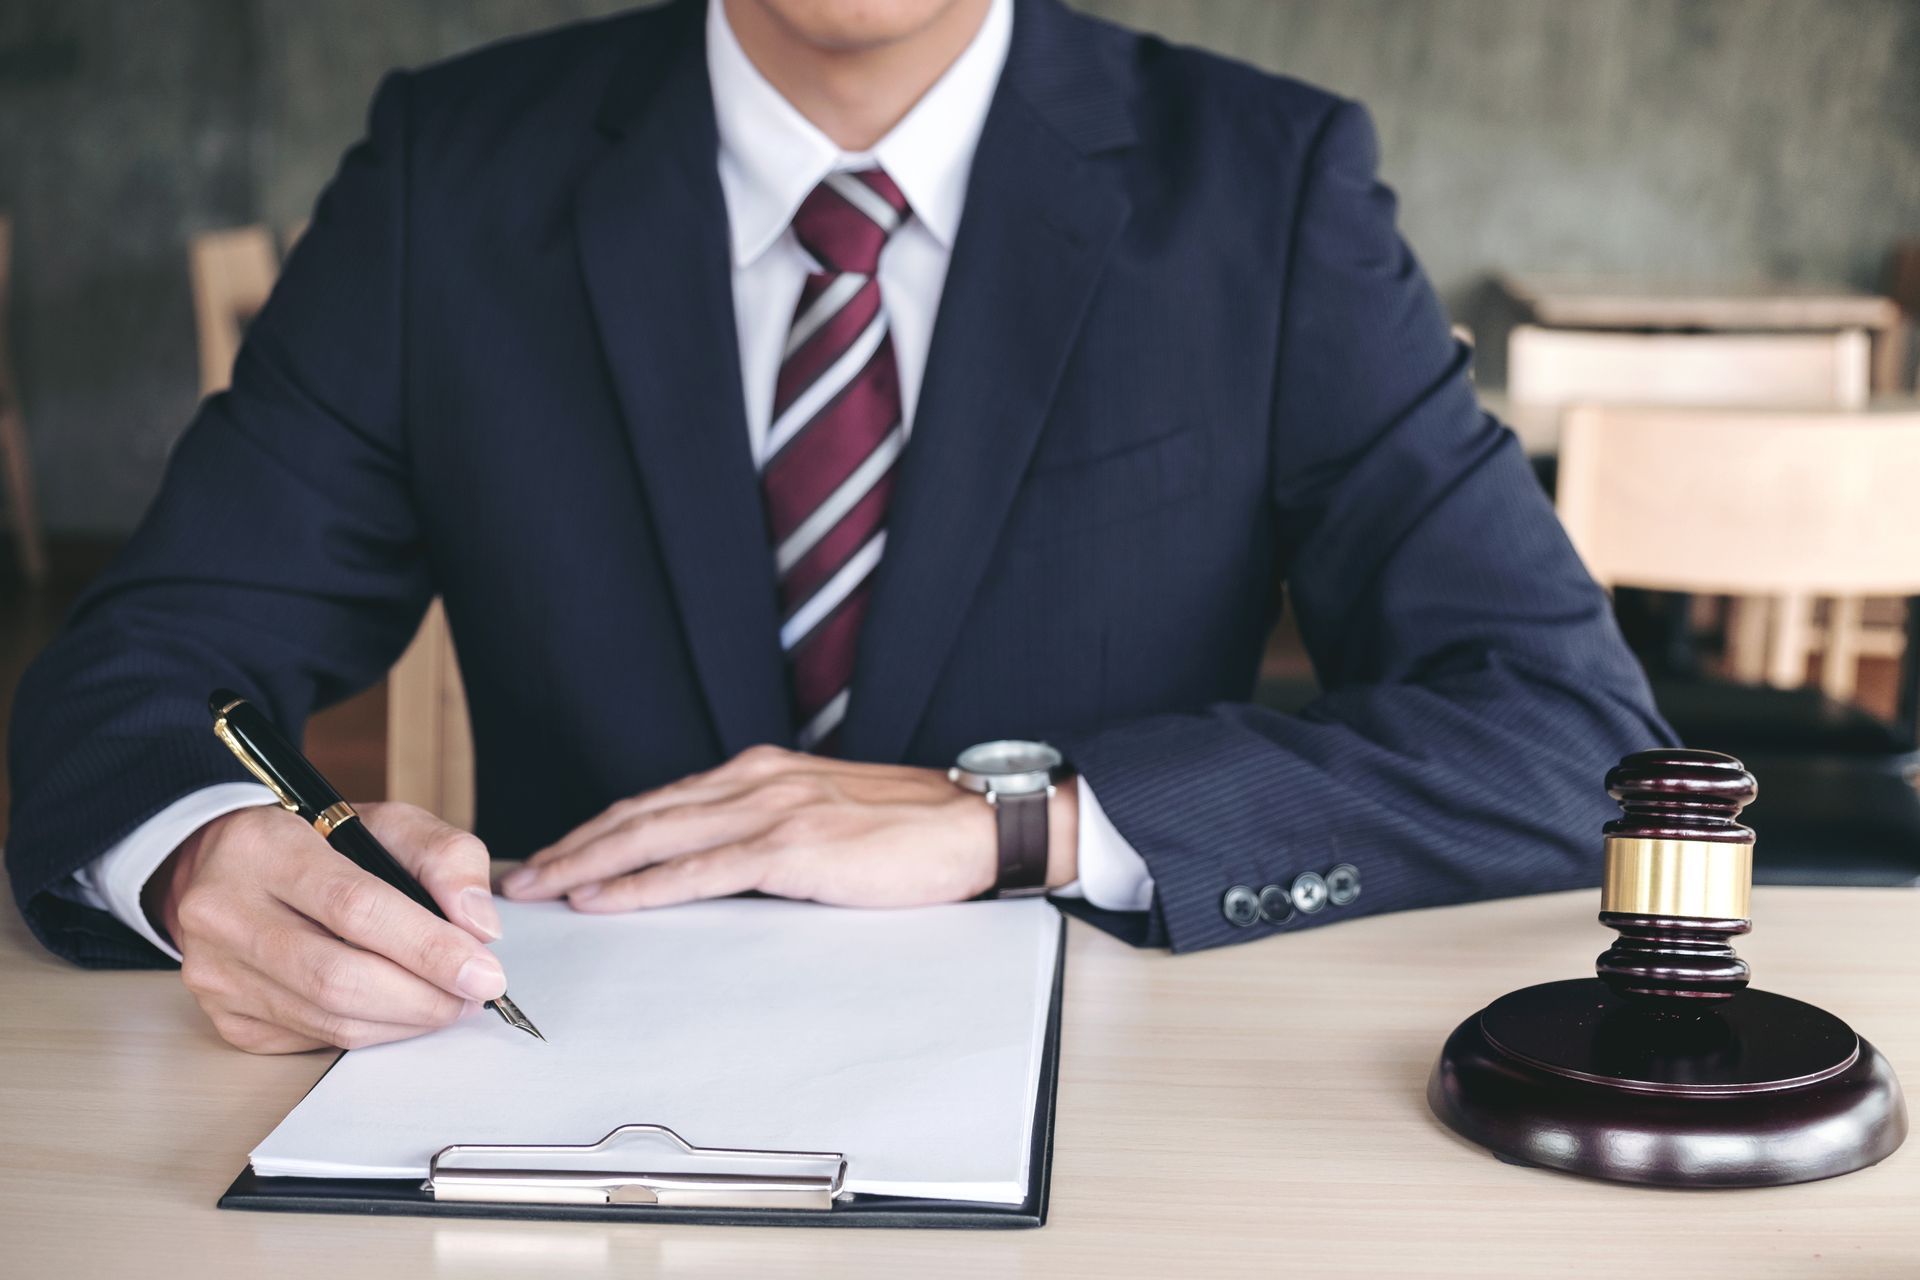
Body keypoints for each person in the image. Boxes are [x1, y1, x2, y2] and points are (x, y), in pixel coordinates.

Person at [5, 0, 1669, 1053]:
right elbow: (148, 660)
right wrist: (204, 857)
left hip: (1125, 1120)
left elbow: (1565, 736)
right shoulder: (456, 172)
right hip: (557, 1109)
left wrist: (1020, 825)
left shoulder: (1267, 185)